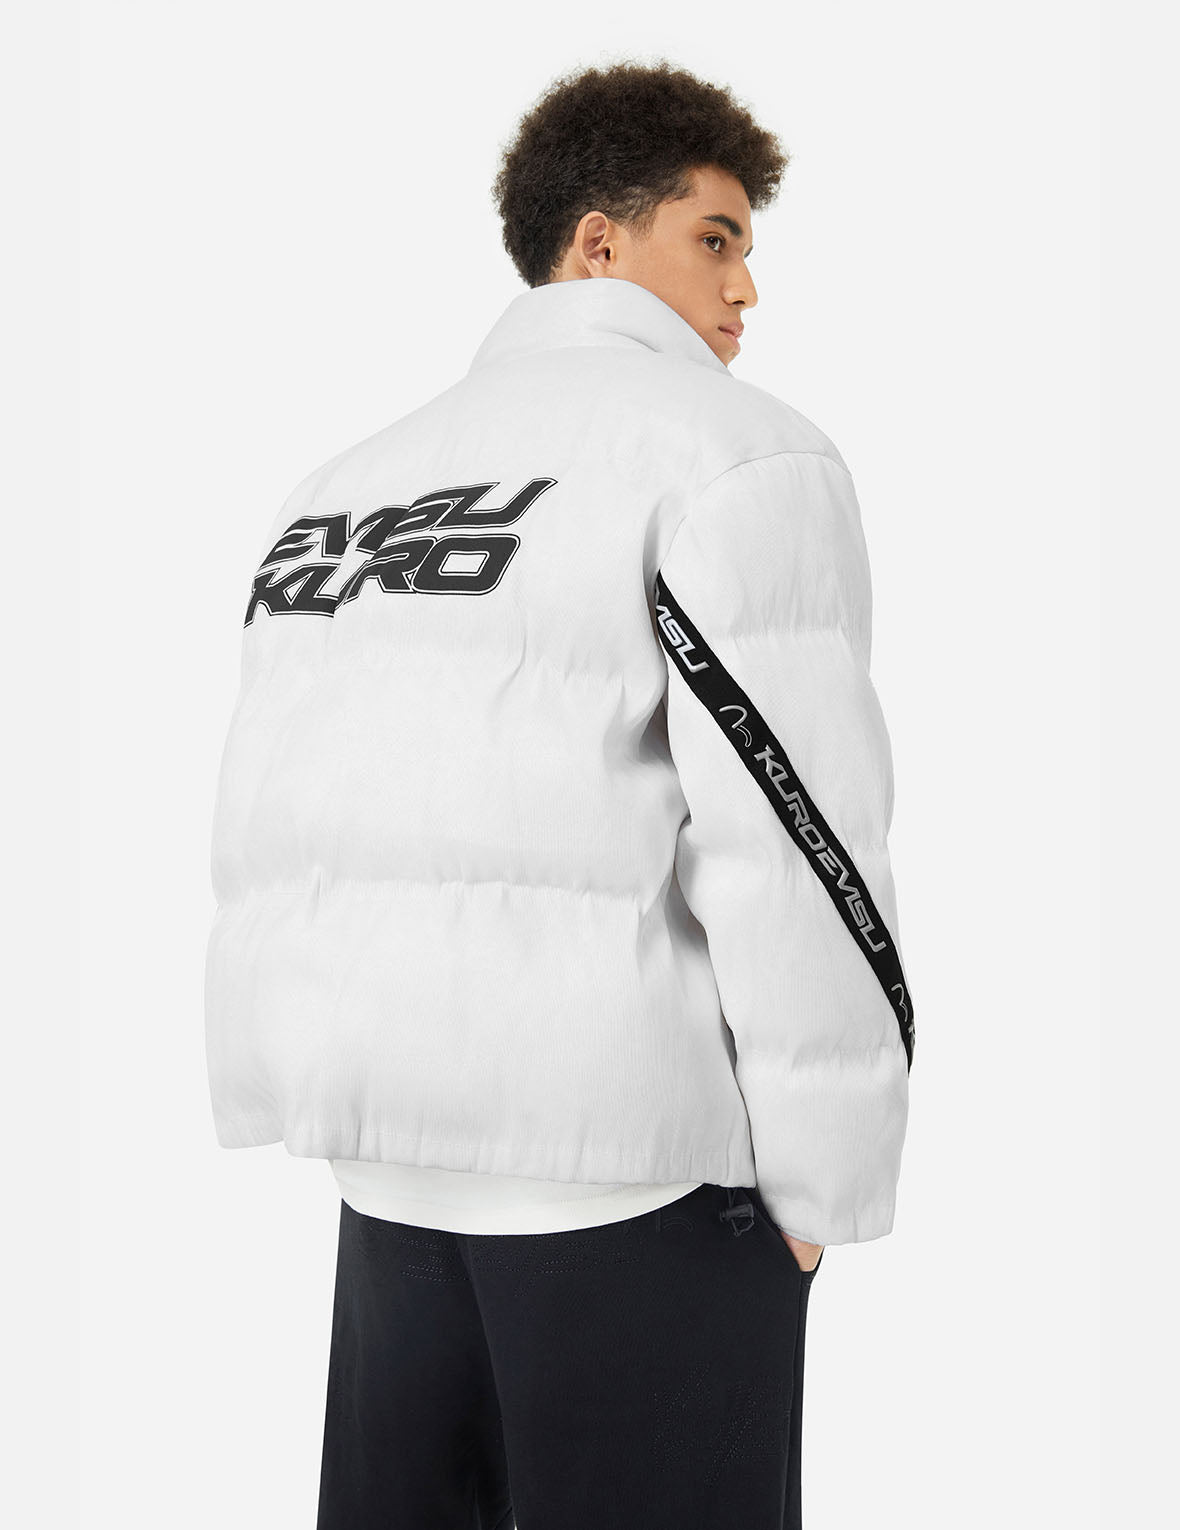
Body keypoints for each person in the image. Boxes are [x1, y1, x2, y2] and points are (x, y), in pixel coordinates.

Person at [204, 58, 915, 1530]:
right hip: (635, 1174)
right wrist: (826, 1181)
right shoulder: (736, 456)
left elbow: (285, 796)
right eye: (714, 238)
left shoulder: (345, 487)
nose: (747, 288)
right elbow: (796, 842)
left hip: (388, 1164)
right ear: (599, 241)